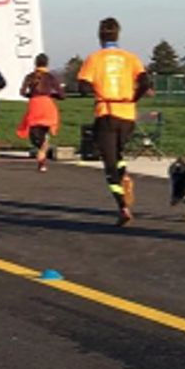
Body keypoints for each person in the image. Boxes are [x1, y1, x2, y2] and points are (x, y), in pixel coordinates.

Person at [77, 17, 152, 225]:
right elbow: (145, 82)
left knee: (109, 163)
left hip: (106, 112)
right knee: (118, 152)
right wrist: (133, 98)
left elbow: (82, 86)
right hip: (127, 114)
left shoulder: (94, 58)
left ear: (100, 36)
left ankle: (123, 207)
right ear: (118, 34)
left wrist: (94, 92)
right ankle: (124, 175)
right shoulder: (131, 58)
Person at [16, 53, 66, 172]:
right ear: (47, 63)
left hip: (34, 105)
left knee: (35, 131)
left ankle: (41, 153)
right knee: (45, 131)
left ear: (35, 63)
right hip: (47, 105)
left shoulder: (29, 76)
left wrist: (31, 95)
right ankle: (42, 159)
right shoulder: (50, 77)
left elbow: (22, 92)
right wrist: (51, 95)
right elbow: (62, 95)